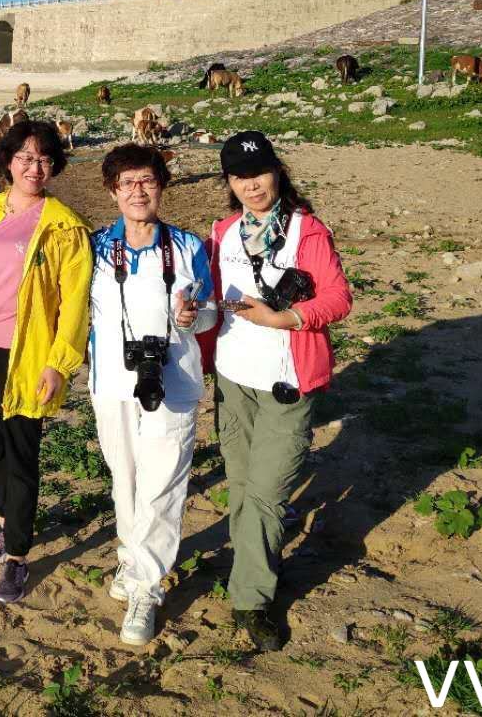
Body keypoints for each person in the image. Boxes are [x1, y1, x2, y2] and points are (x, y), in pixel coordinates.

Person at [197, 131, 352, 652]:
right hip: (233, 378)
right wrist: (189, 309)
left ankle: (252, 599)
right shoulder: (222, 232)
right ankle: (249, 567)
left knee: (266, 492)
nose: (252, 185)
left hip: (288, 381)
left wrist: (284, 317)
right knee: (240, 485)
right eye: (241, 177)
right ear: (229, 183)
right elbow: (210, 300)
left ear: (277, 171)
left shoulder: (308, 231)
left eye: (260, 173)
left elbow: (337, 299)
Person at [0, 118, 93, 604]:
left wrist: (59, 363)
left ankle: (18, 560)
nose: (34, 167)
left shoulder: (65, 226)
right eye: (25, 157)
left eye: (44, 159)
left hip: (29, 354)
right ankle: (6, 529)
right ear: (7, 161)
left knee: (23, 453)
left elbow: (75, 304)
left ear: (54, 166)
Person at [87, 144, 216, 645]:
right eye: (127, 183)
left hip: (176, 381)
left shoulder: (187, 247)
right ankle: (130, 559)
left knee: (163, 481)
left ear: (162, 186)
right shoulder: (96, 247)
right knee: (127, 479)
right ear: (113, 190)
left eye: (147, 181)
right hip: (112, 383)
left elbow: (208, 313)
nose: (137, 191)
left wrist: (193, 316)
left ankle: (145, 585)